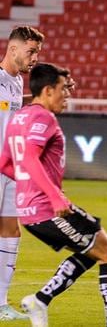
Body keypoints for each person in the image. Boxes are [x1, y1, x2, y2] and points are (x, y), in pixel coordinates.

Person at [0, 63, 107, 327]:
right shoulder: (43, 117)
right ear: (47, 90)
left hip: (29, 210)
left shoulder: (18, 117)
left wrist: (26, 188)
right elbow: (31, 158)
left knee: (96, 251)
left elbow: (4, 163)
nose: (67, 95)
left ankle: (41, 300)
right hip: (47, 208)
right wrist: (53, 196)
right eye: (62, 89)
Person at [0, 25, 44, 321]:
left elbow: (12, 112)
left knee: (11, 230)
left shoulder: (15, 82)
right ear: (13, 49)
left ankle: (1, 302)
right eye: (31, 52)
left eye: (37, 53)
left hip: (11, 168)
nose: (35, 59)